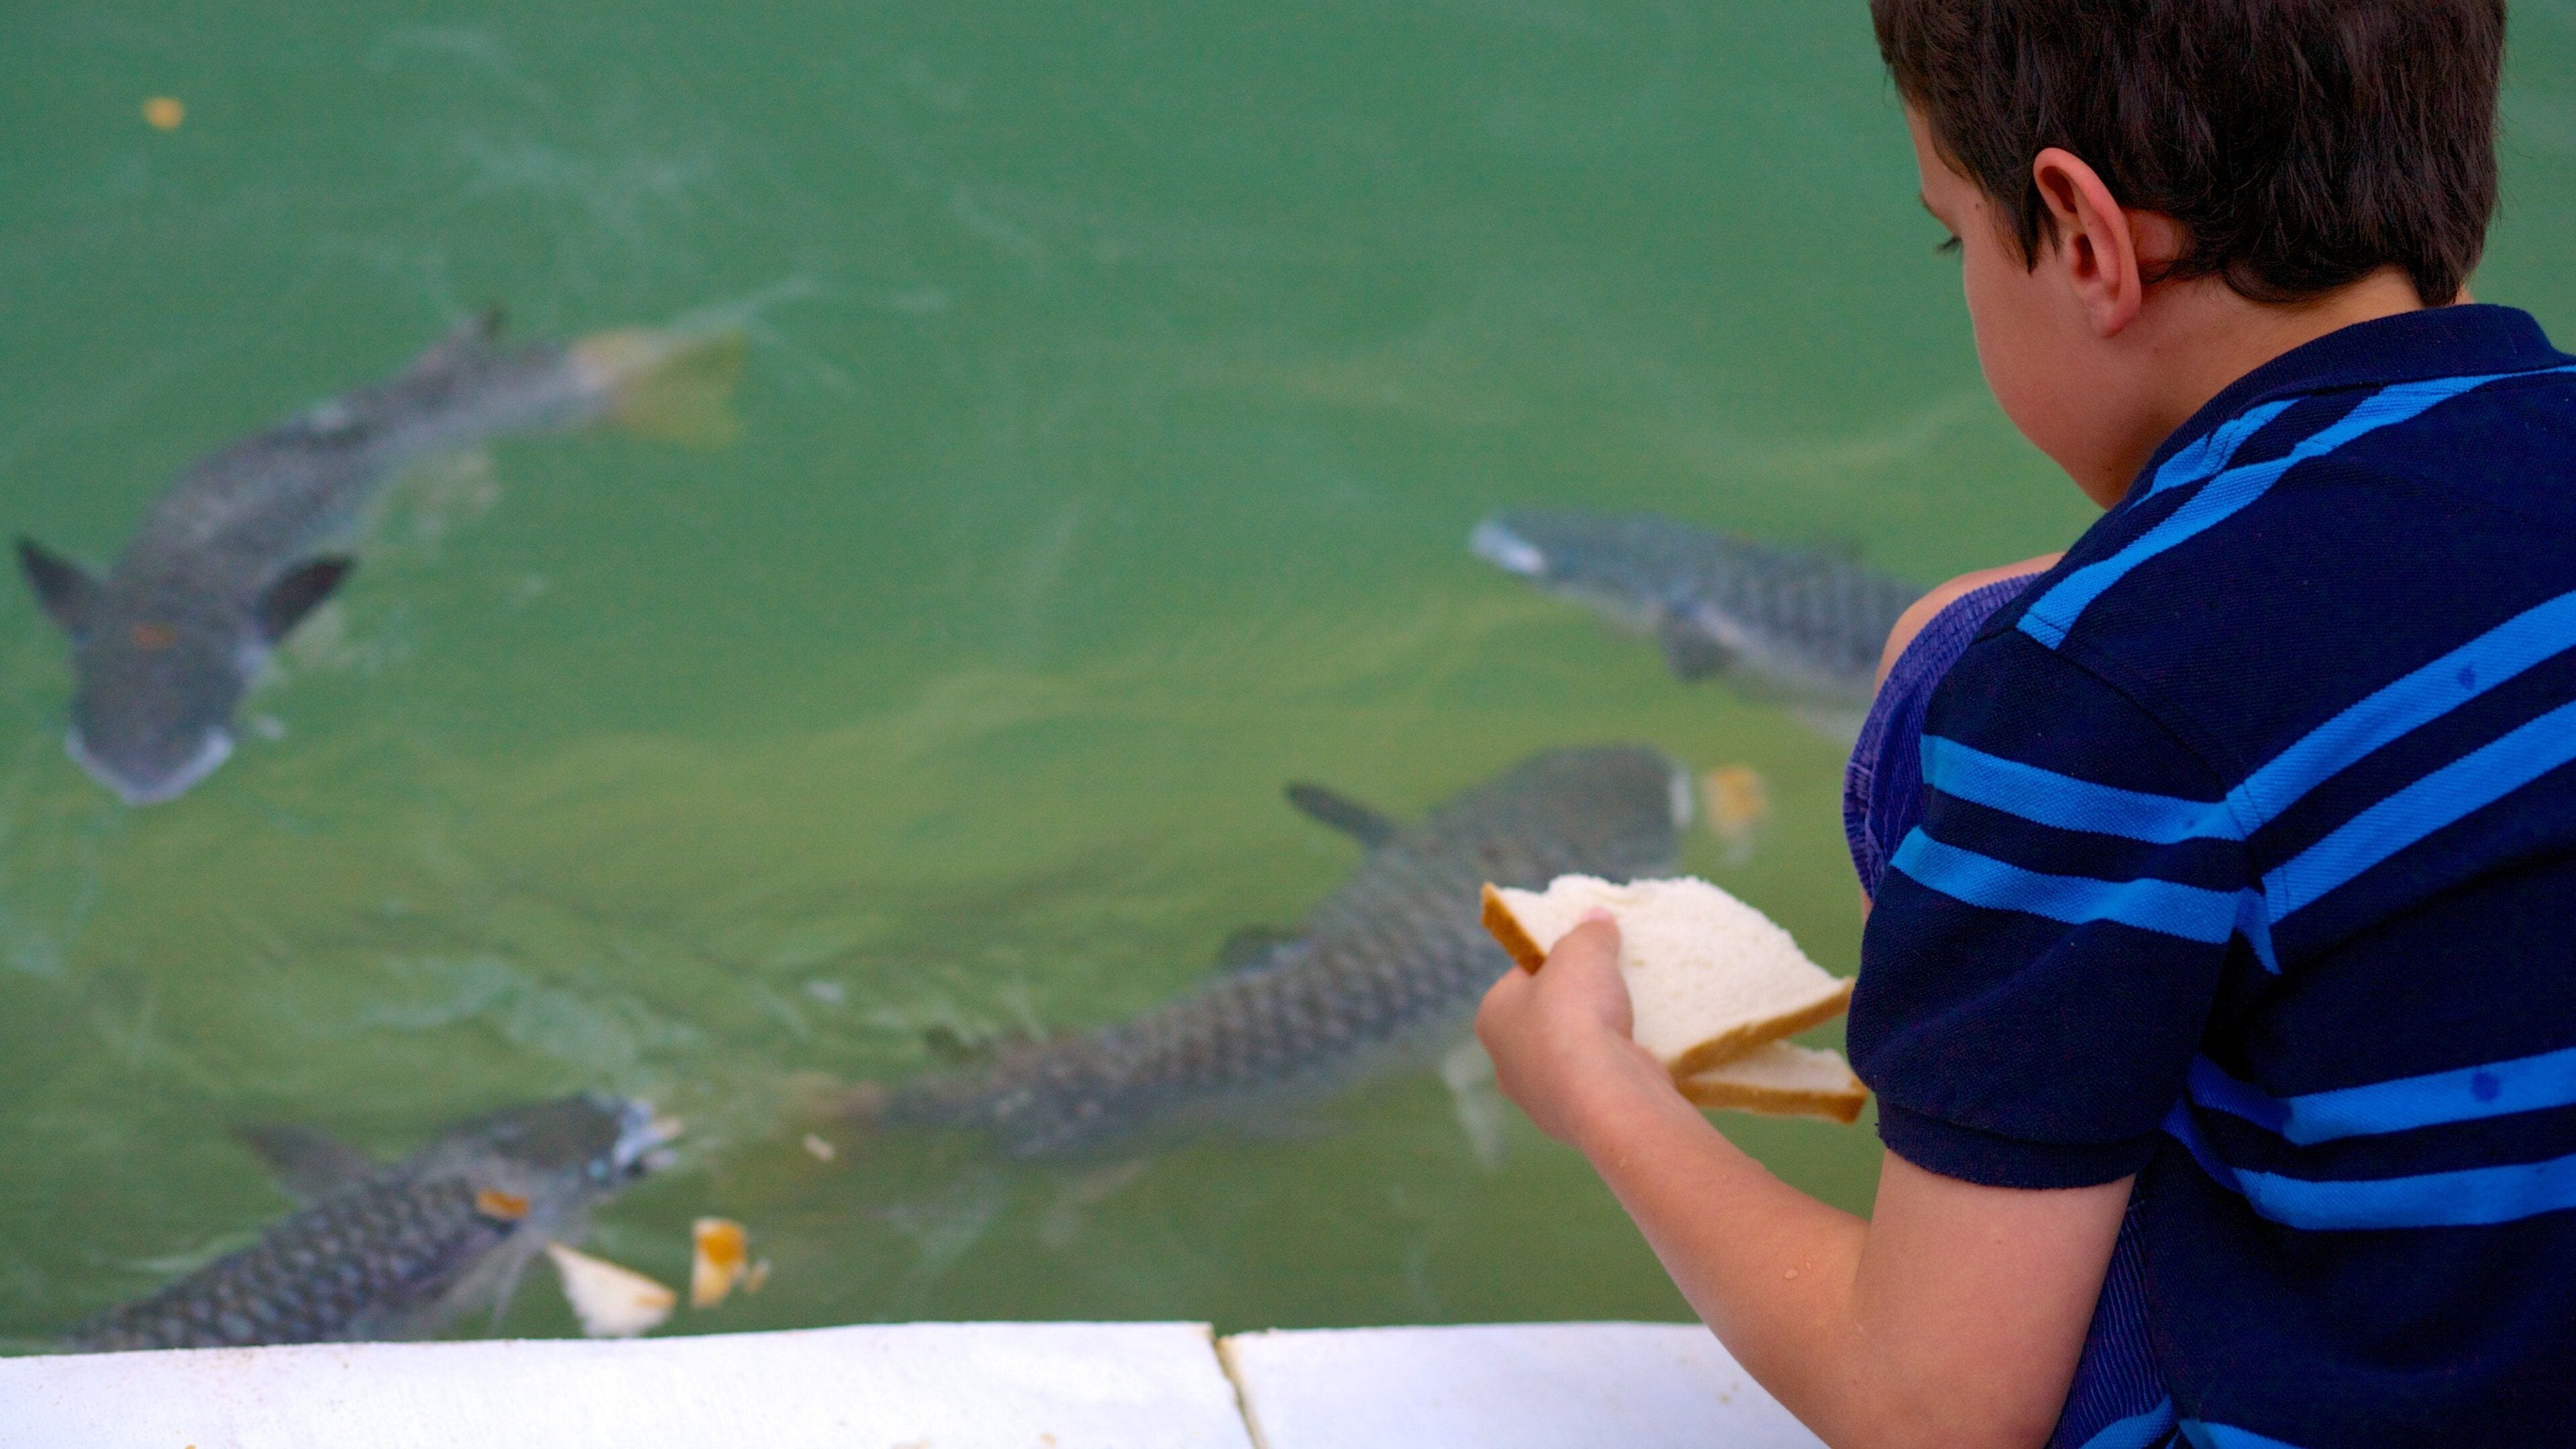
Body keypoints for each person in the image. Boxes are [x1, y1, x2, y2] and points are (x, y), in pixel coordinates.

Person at [1474, 3, 2576, 1445]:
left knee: (1958, 669)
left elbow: (1932, 1411)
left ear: (2083, 238)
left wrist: (1606, 1098)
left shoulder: (2096, 689)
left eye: (1956, 234)